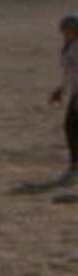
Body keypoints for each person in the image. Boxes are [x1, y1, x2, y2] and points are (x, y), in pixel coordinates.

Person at [51, 13, 78, 184]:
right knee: (70, 126)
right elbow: (68, 73)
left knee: (71, 126)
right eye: (64, 30)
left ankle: (75, 164)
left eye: (68, 30)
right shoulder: (69, 47)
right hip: (75, 92)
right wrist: (60, 90)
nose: (65, 33)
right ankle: (75, 163)